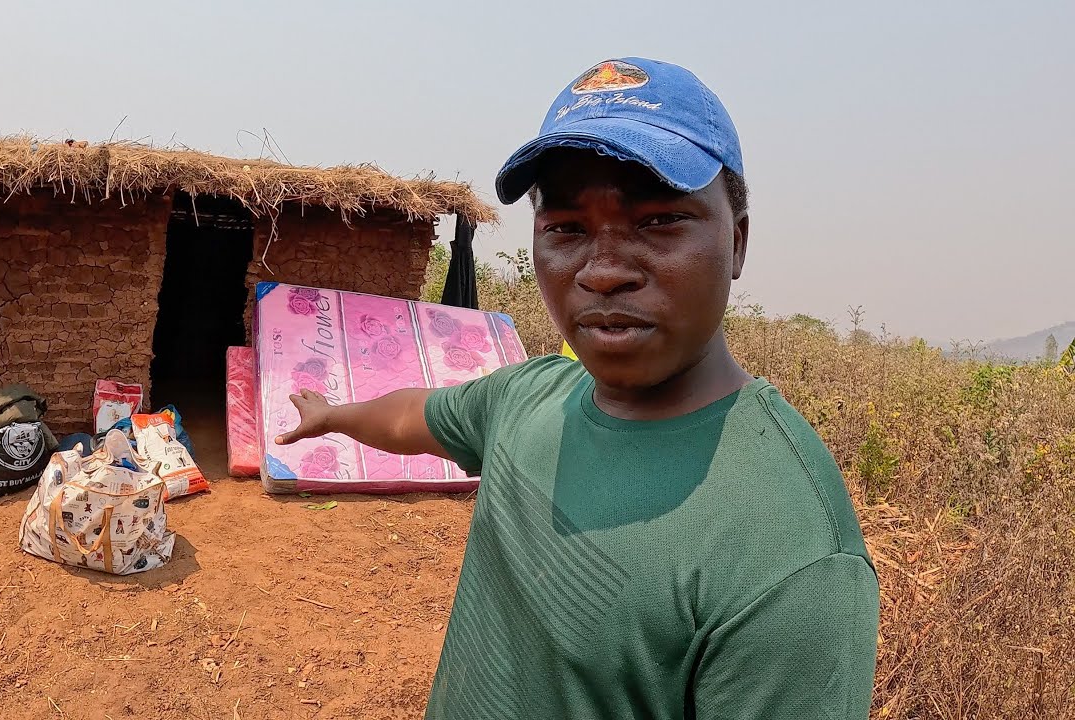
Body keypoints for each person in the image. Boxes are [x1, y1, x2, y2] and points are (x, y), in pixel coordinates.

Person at [276, 56, 880, 719]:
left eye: (658, 221)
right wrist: (333, 415)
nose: (604, 270)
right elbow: (414, 416)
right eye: (567, 229)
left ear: (736, 243)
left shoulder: (788, 551)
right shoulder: (529, 397)